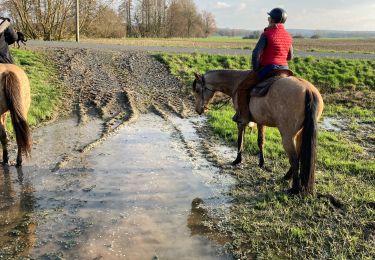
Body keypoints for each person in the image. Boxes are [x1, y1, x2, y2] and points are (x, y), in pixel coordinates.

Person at [233, 8, 294, 125]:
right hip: (285, 70)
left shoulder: (267, 34)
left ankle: (244, 118)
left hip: (269, 69)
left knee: (242, 88)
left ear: (271, 19)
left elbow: (256, 53)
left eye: (269, 17)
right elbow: (290, 56)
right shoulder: (288, 36)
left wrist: (256, 69)